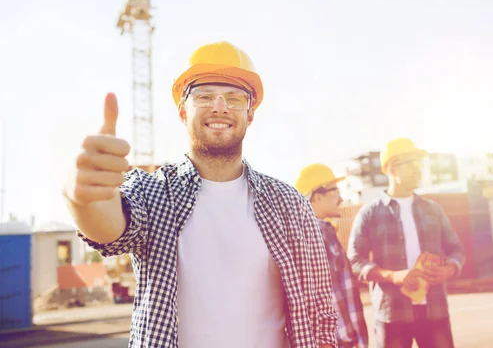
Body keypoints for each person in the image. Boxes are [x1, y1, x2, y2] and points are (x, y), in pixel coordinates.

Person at [62, 41, 338, 348]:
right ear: (182, 111)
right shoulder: (153, 192)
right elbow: (111, 228)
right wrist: (83, 198)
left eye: (234, 98)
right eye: (205, 96)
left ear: (250, 114)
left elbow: (320, 311)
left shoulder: (290, 204)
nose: (219, 107)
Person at [347, 137, 465, 348]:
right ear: (391, 167)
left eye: (419, 163)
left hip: (435, 311)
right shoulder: (370, 213)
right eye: (411, 163)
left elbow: (456, 250)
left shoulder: (433, 209)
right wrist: (393, 276)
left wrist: (448, 269)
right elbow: (355, 260)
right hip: (392, 314)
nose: (418, 169)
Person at [295, 164, 369, 348]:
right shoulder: (311, 237)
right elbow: (326, 296)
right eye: (335, 191)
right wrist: (345, 337)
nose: (342, 198)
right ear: (317, 197)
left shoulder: (323, 232)